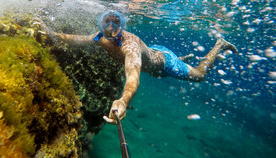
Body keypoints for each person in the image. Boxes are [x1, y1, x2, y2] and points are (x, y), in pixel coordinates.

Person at [36, 10, 238, 124]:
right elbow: (78, 39)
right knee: (153, 69)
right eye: (107, 25)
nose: (112, 30)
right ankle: (181, 57)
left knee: (199, 75)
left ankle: (219, 44)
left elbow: (133, 76)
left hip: (165, 63)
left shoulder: (130, 47)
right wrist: (51, 33)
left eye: (116, 25)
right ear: (101, 26)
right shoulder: (100, 38)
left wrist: (123, 101)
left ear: (122, 25)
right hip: (152, 53)